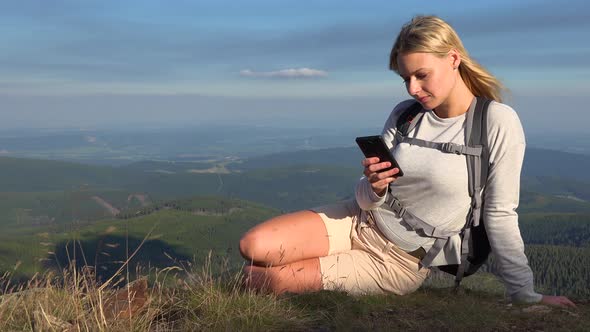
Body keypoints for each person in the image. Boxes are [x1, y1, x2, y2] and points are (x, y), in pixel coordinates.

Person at [239, 15, 575, 307]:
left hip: (397, 260)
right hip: (359, 219)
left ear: (453, 59)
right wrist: (374, 187)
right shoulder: (406, 115)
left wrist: (523, 293)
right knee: (252, 246)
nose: (413, 88)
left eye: (422, 75)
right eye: (406, 78)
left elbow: (500, 213)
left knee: (257, 280)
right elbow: (366, 197)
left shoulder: (496, 122)